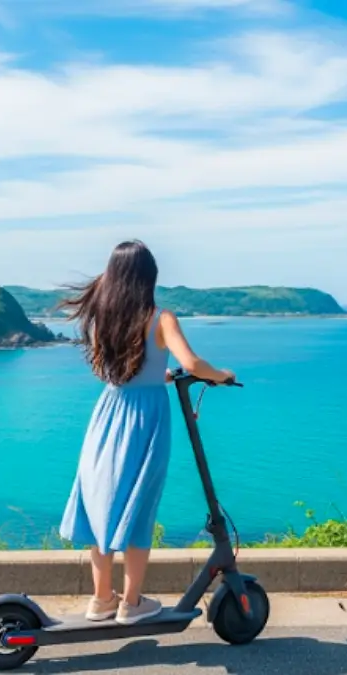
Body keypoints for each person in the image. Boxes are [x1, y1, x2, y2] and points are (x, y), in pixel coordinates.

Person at [57, 240, 235, 625]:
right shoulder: (161, 317)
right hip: (145, 421)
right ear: (149, 278)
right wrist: (221, 375)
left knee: (101, 502)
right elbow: (193, 362)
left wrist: (160, 375)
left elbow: (123, 369)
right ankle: (131, 603)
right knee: (139, 507)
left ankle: (102, 599)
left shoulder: (105, 318)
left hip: (107, 415)